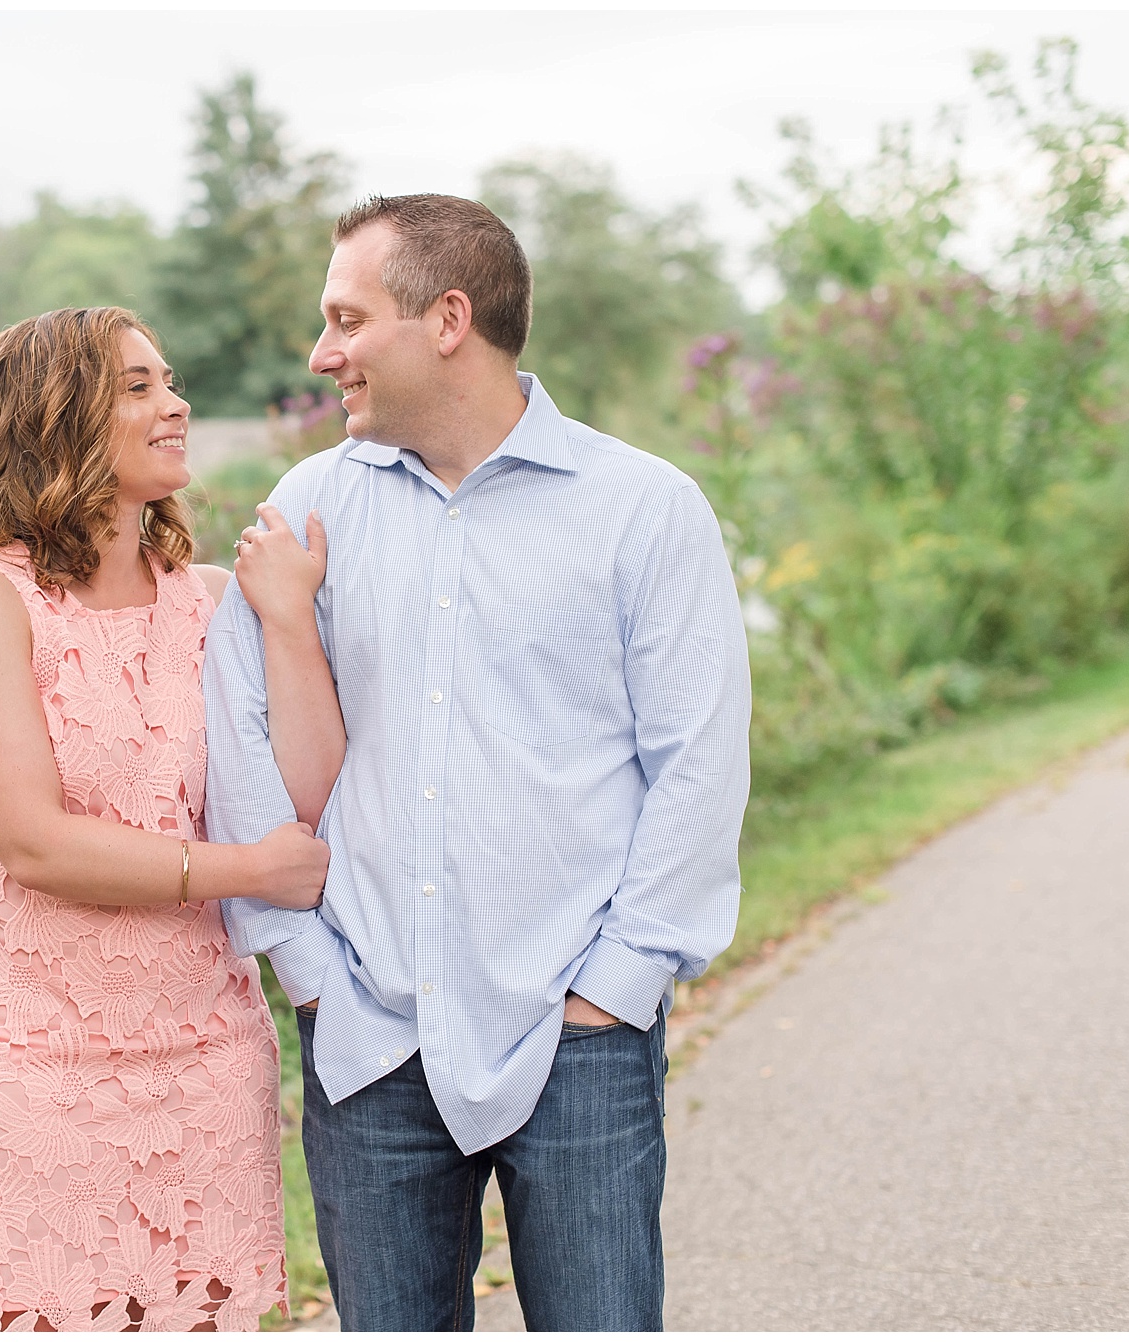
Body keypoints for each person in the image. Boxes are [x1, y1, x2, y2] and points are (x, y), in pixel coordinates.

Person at [207, 194, 753, 1332]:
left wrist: (618, 983)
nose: (322, 355)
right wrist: (308, 970)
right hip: (368, 1035)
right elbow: (239, 745)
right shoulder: (303, 511)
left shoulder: (643, 510)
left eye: (346, 320)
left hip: (575, 1035)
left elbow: (696, 766)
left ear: (446, 317)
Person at [0, 306, 332, 1332]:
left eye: (169, 378)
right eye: (138, 387)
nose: (175, 404)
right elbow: (33, 842)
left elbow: (306, 794)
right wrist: (247, 870)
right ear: (57, 419)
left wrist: (285, 618)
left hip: (203, 1050)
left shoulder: (206, 600)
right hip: (34, 1064)